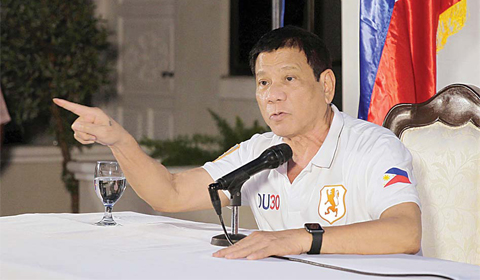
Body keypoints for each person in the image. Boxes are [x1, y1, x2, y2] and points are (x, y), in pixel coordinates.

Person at [54, 26, 421, 260]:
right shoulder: (259, 151)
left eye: (288, 79)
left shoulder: (372, 145)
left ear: (326, 86)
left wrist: (298, 239)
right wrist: (119, 139)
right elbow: (171, 194)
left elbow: (406, 232)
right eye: (263, 83)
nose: (273, 96)